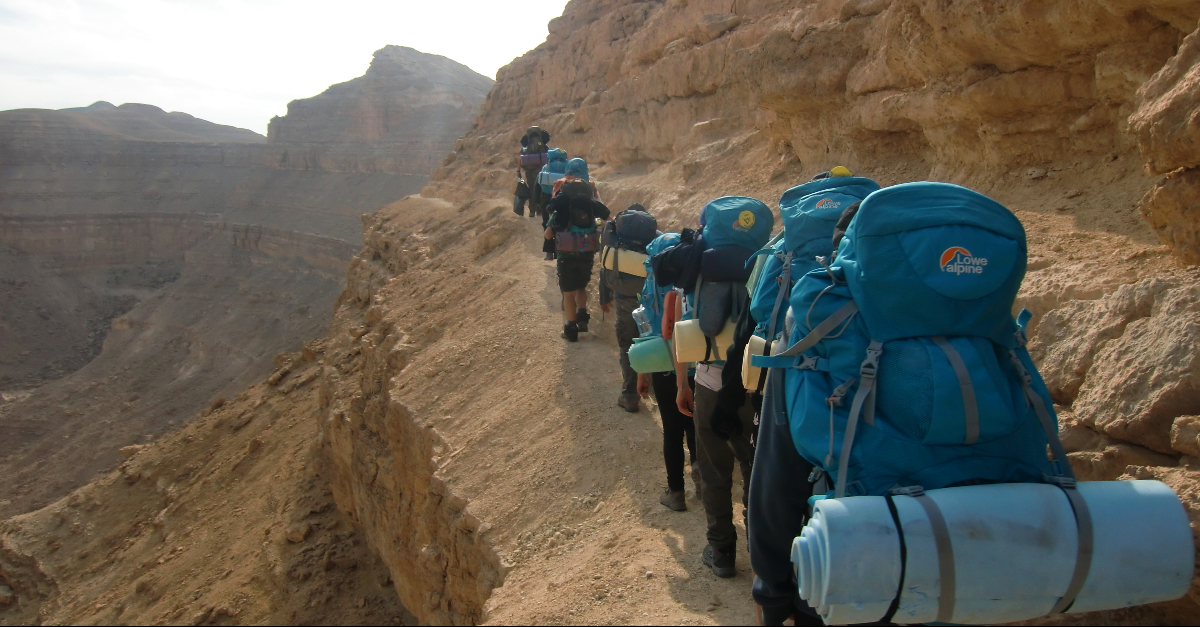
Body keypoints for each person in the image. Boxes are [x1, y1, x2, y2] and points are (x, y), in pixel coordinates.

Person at [653, 198, 772, 579]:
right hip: (756, 386)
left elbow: (682, 327)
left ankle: (721, 551)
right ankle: (759, 545)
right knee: (755, 465)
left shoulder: (698, 264)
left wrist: (682, 384)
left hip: (709, 382)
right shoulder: (769, 260)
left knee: (714, 467)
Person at [636, 232, 701, 511]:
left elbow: (647, 326)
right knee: (695, 424)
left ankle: (676, 493)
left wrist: (641, 373)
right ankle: (702, 478)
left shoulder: (653, 278)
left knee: (672, 431)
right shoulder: (695, 273)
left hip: (662, 362)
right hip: (697, 360)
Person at [599, 204, 657, 412]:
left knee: (627, 344)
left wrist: (604, 297)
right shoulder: (653, 238)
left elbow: (604, 270)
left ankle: (629, 393)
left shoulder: (615, 239)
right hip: (651, 299)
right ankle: (652, 388)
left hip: (624, 299)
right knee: (650, 339)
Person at [544, 165, 609, 341]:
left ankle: (571, 330)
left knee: (568, 293)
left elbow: (548, 234)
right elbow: (605, 220)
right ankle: (582, 319)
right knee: (581, 287)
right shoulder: (590, 205)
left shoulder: (560, 209)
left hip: (566, 256)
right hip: (586, 253)